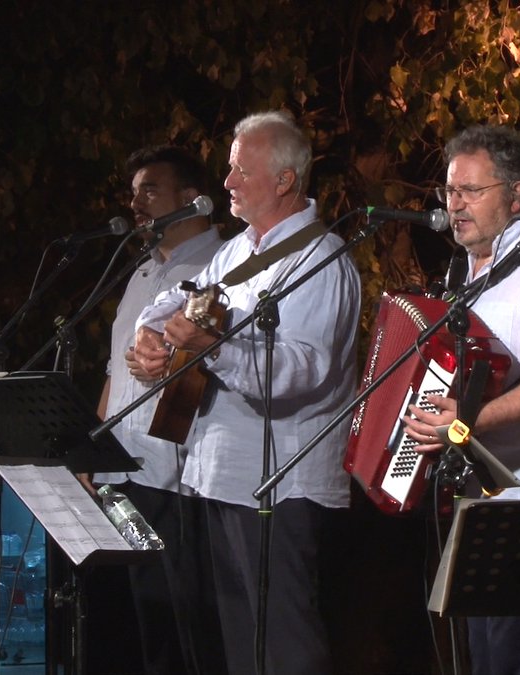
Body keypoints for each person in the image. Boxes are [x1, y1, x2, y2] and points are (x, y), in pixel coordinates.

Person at [132, 110, 360, 675]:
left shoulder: (321, 258)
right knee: (240, 650)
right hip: (221, 476)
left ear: (284, 180)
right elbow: (180, 301)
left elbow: (300, 373)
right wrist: (152, 335)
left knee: (283, 648)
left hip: (281, 487)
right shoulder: (236, 252)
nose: (227, 182)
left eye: (240, 171)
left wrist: (211, 346)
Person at [402, 125, 520, 675]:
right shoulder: (466, 275)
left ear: (516, 194)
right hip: (482, 506)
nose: (454, 204)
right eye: (449, 191)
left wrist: (468, 422)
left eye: (470, 191)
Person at [91, 144, 227, 675]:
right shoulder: (142, 273)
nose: (136, 203)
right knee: (138, 623)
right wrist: (94, 446)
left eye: (150, 190)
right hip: (122, 467)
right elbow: (113, 371)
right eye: (134, 192)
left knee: (183, 626)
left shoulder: (219, 267)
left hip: (173, 474)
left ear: (191, 200)